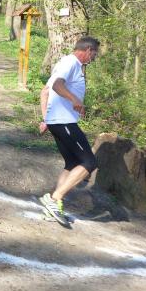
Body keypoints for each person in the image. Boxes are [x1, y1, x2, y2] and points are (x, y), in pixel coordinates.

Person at [37, 36, 100, 226]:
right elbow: (57, 86)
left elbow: (45, 91)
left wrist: (46, 119)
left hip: (58, 121)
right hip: (64, 121)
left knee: (72, 163)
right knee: (89, 162)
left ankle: (55, 206)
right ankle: (54, 199)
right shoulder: (71, 63)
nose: (94, 57)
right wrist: (75, 100)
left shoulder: (65, 64)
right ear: (88, 50)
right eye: (94, 53)